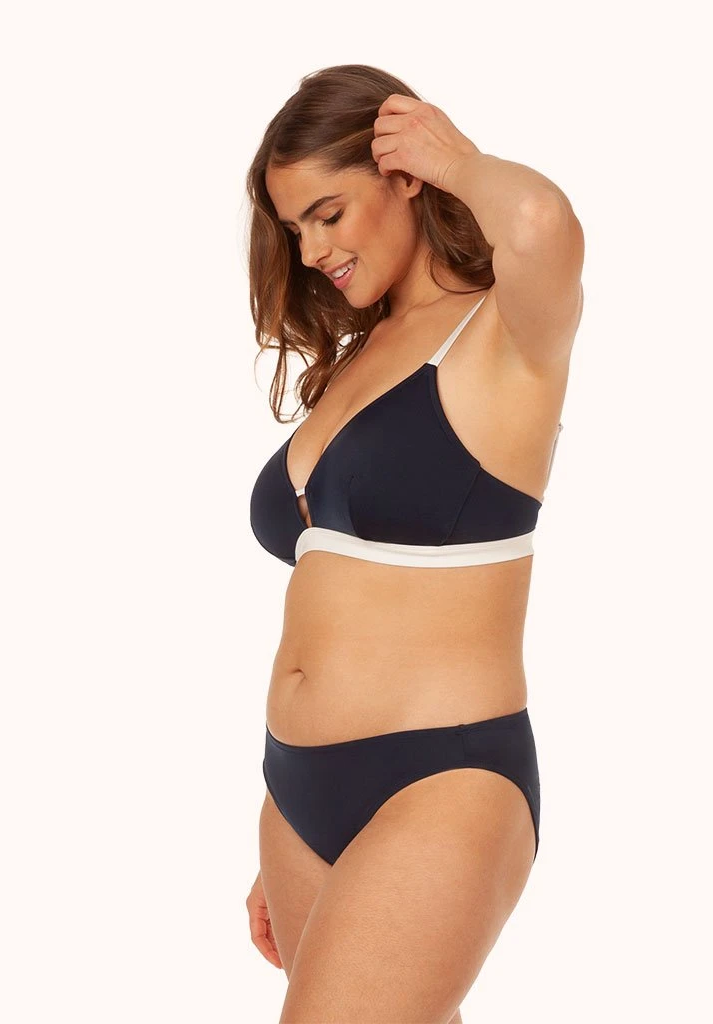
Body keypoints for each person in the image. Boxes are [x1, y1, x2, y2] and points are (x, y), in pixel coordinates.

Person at [244, 64, 584, 1023]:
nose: (312, 250)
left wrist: (458, 160)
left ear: (402, 178)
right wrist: (285, 817)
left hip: (442, 782)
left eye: (328, 213)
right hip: (297, 795)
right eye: (294, 229)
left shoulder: (502, 331)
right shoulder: (355, 359)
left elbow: (541, 225)